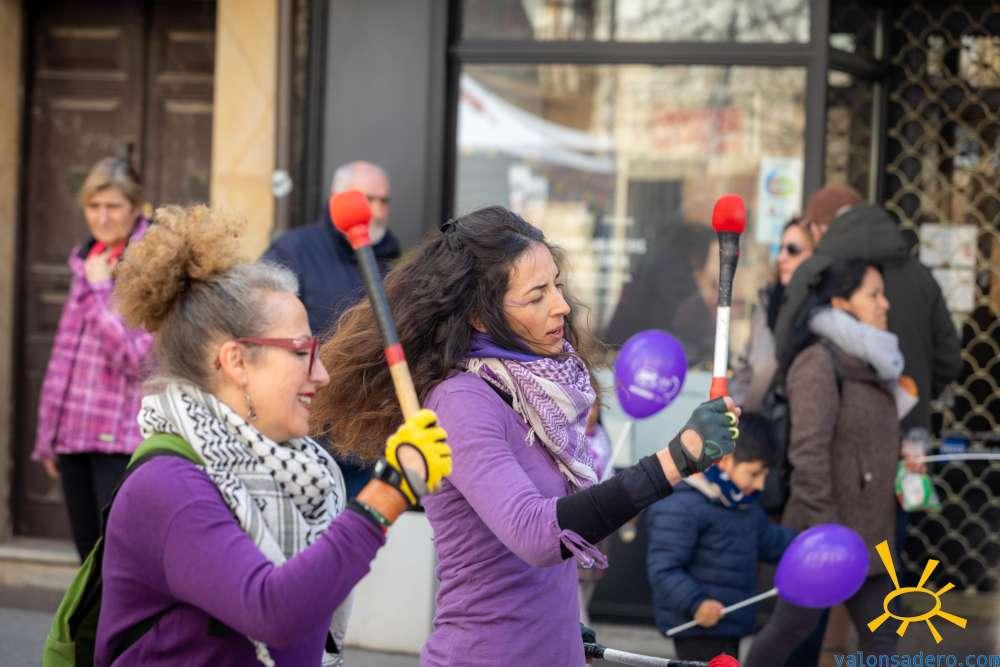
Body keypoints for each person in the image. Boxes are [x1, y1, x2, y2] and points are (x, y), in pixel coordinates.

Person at [310, 206, 741, 666]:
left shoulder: (536, 391)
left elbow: (557, 535)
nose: (561, 305)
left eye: (556, 285)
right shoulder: (461, 400)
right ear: (481, 316)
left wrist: (556, 621)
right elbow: (537, 534)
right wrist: (676, 459)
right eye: (536, 296)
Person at [94, 205, 451, 666]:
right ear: (237, 362)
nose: (321, 375)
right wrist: (390, 491)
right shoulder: (167, 486)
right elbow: (273, 612)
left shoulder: (300, 472)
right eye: (302, 352)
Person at [744, 259, 908, 666]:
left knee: (885, 635)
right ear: (841, 302)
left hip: (871, 534)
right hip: (826, 535)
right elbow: (808, 453)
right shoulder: (819, 363)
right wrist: (828, 535)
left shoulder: (873, 362)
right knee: (789, 631)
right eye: (873, 294)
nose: (885, 303)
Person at [31, 157, 155, 561]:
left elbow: (136, 359)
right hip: (74, 434)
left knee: (116, 556)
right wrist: (49, 434)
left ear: (135, 207)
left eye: (113, 206)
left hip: (119, 439)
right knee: (87, 556)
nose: (102, 217)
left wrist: (100, 290)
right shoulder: (89, 261)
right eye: (93, 206)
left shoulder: (152, 265)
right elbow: (64, 355)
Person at [774, 184, 961, 432]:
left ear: (819, 228)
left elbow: (785, 346)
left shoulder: (815, 272)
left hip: (837, 431)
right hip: (910, 432)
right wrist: (916, 391)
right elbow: (949, 360)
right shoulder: (920, 276)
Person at [263, 160, 401, 497]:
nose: (377, 211)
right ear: (336, 200)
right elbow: (259, 329)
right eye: (367, 199)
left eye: (384, 201)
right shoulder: (293, 252)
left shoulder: (392, 263)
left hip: (366, 438)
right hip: (307, 434)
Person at [646, 413, 795, 663]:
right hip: (697, 627)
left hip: (730, 623)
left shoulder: (742, 504)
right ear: (725, 460)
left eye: (764, 475)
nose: (760, 485)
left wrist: (807, 547)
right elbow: (663, 569)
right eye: (754, 473)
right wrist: (697, 604)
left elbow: (771, 541)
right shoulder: (682, 504)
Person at [729, 218, 815, 411]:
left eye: (793, 250)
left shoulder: (819, 311)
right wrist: (738, 408)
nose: (782, 257)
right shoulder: (768, 301)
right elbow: (745, 366)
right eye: (780, 248)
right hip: (753, 420)